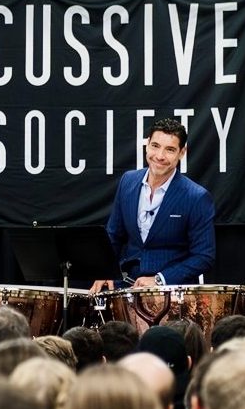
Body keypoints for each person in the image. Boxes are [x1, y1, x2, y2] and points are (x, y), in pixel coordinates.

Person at [92, 117, 215, 292]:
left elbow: (204, 256)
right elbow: (114, 235)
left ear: (182, 153)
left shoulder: (197, 197)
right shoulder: (128, 181)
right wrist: (104, 271)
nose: (160, 156)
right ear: (147, 144)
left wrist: (159, 280)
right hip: (127, 284)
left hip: (172, 291)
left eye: (170, 150)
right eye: (155, 146)